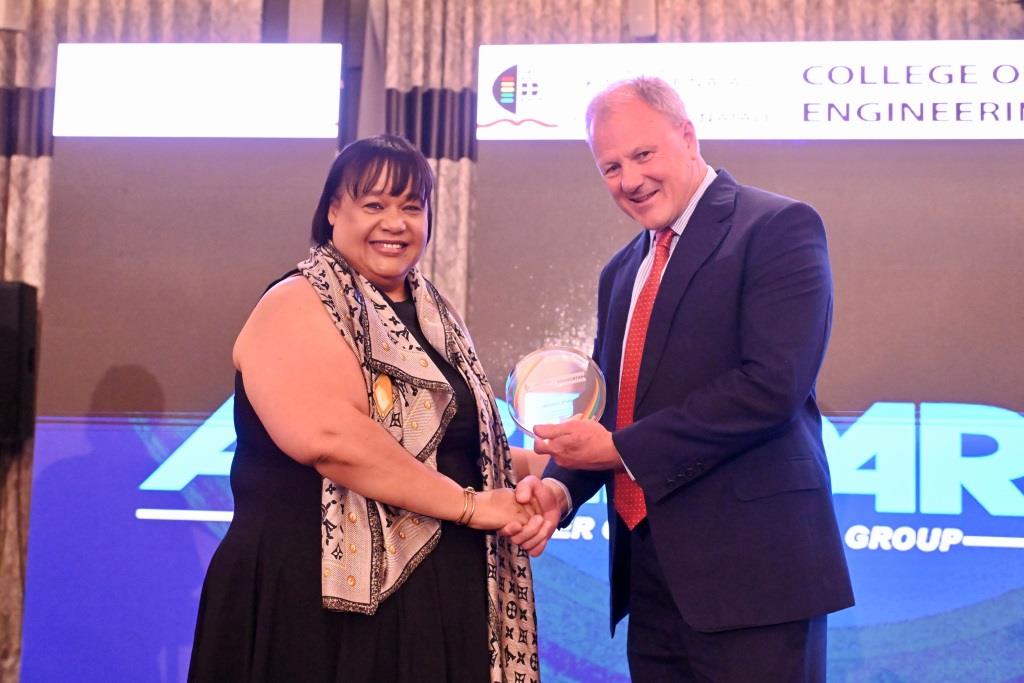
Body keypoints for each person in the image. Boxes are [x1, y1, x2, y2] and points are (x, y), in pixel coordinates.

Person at [504, 77, 854, 681]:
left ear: (688, 137)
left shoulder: (778, 226)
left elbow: (772, 386)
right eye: (611, 167)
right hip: (650, 582)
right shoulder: (622, 271)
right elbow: (611, 411)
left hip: (757, 580)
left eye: (643, 154)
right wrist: (561, 489)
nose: (630, 179)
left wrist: (618, 449)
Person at [189, 135, 543, 683]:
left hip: (438, 599)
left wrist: (551, 476)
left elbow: (451, 452)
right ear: (334, 210)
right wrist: (472, 507)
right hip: (314, 605)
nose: (394, 223)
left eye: (411, 207)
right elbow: (333, 441)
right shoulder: (296, 300)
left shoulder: (436, 319)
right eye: (374, 204)